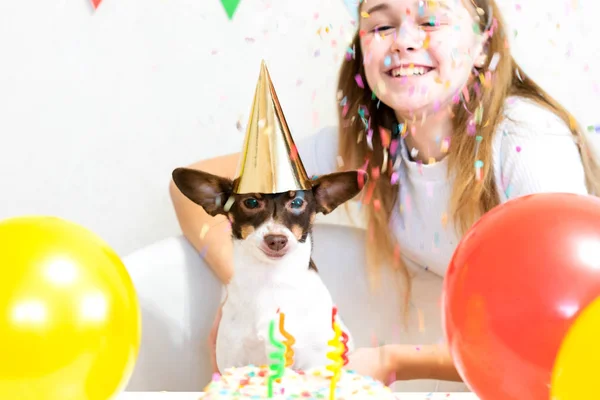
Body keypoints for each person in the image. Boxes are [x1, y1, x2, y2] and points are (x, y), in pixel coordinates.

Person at [170, 0, 600, 389]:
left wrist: (394, 361)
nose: (405, 41)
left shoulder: (529, 141)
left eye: (431, 20)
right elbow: (189, 183)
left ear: (485, 47)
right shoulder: (367, 144)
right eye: (381, 26)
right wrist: (248, 296)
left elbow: (565, 331)